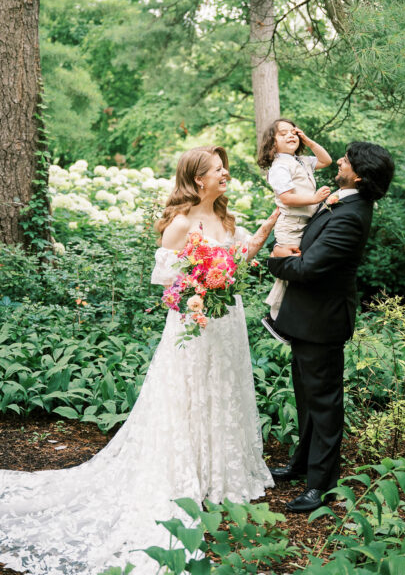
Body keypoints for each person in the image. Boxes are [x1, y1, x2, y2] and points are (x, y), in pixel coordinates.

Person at [0, 146, 279, 575]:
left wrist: (269, 227)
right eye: (218, 170)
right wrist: (199, 289)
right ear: (197, 179)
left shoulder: (226, 219)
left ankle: (217, 474)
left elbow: (240, 261)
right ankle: (185, 475)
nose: (226, 174)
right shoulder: (182, 223)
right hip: (193, 325)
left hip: (228, 321)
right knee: (187, 394)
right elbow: (168, 282)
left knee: (223, 391)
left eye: (225, 169)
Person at [265, 141, 394, 513]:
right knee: (306, 399)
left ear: (359, 173)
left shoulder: (352, 214)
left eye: (346, 159)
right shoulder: (342, 199)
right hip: (307, 318)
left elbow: (308, 268)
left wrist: (276, 259)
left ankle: (320, 486)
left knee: (324, 405)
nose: (339, 160)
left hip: (323, 321)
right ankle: (301, 465)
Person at [255, 118, 333, 333]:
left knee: (298, 270)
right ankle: (276, 318)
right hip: (290, 225)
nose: (290, 136)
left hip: (305, 224)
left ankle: (284, 318)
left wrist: (308, 141)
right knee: (291, 270)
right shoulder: (279, 166)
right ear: (272, 142)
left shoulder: (301, 160)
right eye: (283, 133)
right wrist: (316, 199)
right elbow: (287, 198)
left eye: (293, 132)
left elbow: (326, 160)